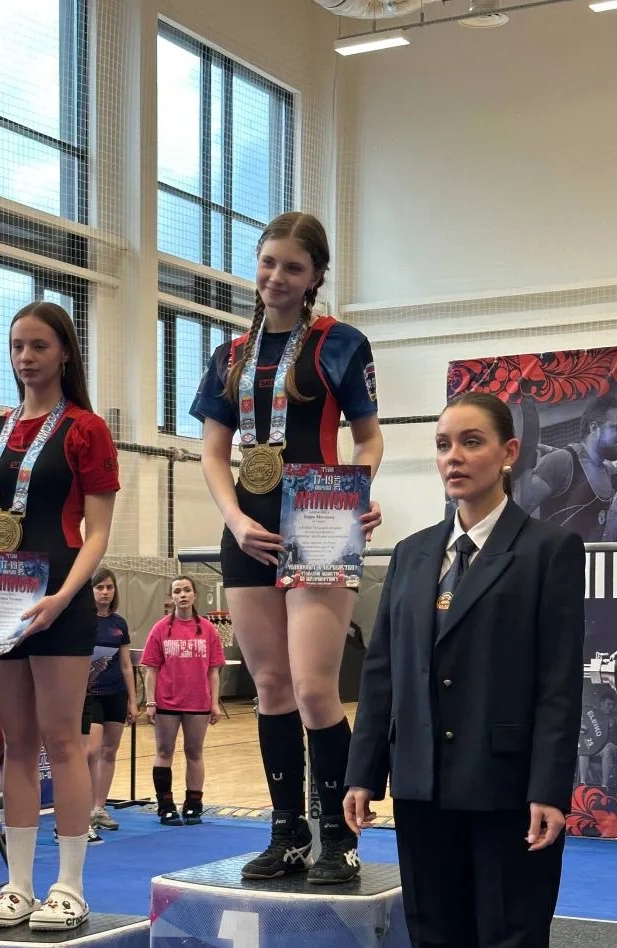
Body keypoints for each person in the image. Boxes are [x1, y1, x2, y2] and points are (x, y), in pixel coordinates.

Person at [344, 390, 584, 948]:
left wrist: (549, 787)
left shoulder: (549, 550)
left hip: (510, 796)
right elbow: (382, 673)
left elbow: (558, 682)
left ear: (509, 454)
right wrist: (362, 771)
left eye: (472, 441)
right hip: (423, 791)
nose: (454, 456)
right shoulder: (414, 555)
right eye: (444, 443)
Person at [195, 210, 383, 882]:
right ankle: (287, 832)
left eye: (293, 268)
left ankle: (339, 834)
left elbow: (368, 437)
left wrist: (355, 493)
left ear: (315, 277)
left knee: (313, 688)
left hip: (320, 525)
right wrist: (235, 520)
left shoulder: (341, 344)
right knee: (270, 686)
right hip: (249, 531)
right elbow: (213, 453)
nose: (276, 277)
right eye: (268, 262)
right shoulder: (229, 357)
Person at [0, 301, 119, 931]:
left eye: (40, 346)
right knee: (15, 746)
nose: (26, 357)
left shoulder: (85, 429)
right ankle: (18, 885)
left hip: (60, 600)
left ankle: (69, 885)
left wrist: (65, 596)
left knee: (62, 741)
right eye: (18, 346)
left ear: (65, 353)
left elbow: (97, 533)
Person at [140, 576, 224, 824]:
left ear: (195, 594)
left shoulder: (208, 629)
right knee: (164, 750)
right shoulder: (160, 629)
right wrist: (150, 702)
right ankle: (165, 805)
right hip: (167, 702)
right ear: (172, 597)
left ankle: (193, 804)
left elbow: (214, 671)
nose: (183, 595)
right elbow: (151, 669)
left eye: (187, 590)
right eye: (177, 591)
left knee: (194, 752)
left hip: (198, 702)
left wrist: (214, 703)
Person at [521, 394, 617, 539]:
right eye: (616, 428)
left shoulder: (609, 473)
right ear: (594, 428)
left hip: (591, 554)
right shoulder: (561, 461)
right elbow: (517, 512)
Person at [83, 566, 137, 833]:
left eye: (109, 587)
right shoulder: (84, 621)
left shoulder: (119, 624)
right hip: (90, 694)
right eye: (100, 587)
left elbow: (126, 664)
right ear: (91, 591)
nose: (105, 592)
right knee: (91, 751)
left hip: (116, 693)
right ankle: (83, 810)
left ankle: (99, 808)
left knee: (109, 752)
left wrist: (133, 701)